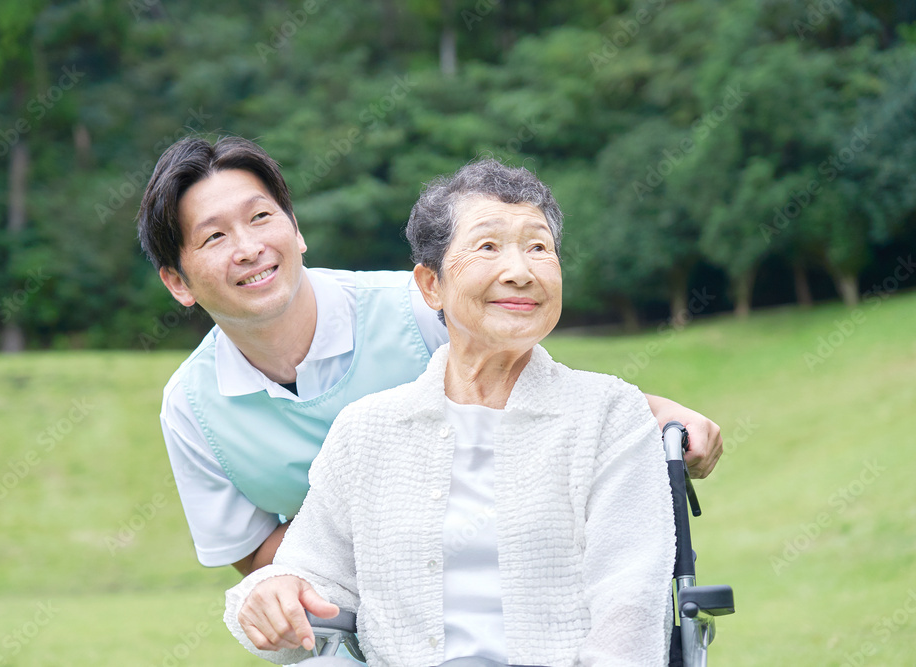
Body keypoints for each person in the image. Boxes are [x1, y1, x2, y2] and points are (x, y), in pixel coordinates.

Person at [137, 135, 722, 577]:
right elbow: (259, 559)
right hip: (352, 625)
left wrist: (655, 411)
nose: (249, 248)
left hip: (508, 585)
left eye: (262, 217)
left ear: (297, 229)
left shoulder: (418, 306)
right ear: (178, 282)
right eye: (214, 237)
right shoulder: (191, 410)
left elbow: (544, 395)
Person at [225, 159, 676, 666]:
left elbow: (630, 605)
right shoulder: (367, 431)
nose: (521, 272)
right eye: (487, 246)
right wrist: (268, 593)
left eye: (539, 248)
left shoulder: (610, 415)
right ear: (430, 285)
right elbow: (309, 575)